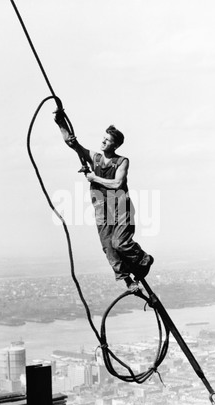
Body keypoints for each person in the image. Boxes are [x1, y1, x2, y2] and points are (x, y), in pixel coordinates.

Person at [54, 109, 154, 293]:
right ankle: (128, 281)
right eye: (103, 138)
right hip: (102, 209)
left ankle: (143, 259)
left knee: (120, 243)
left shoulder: (122, 161)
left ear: (114, 145)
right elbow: (73, 145)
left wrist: (94, 178)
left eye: (107, 140)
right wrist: (60, 122)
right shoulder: (96, 158)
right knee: (109, 248)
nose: (102, 142)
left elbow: (117, 183)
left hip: (121, 206)